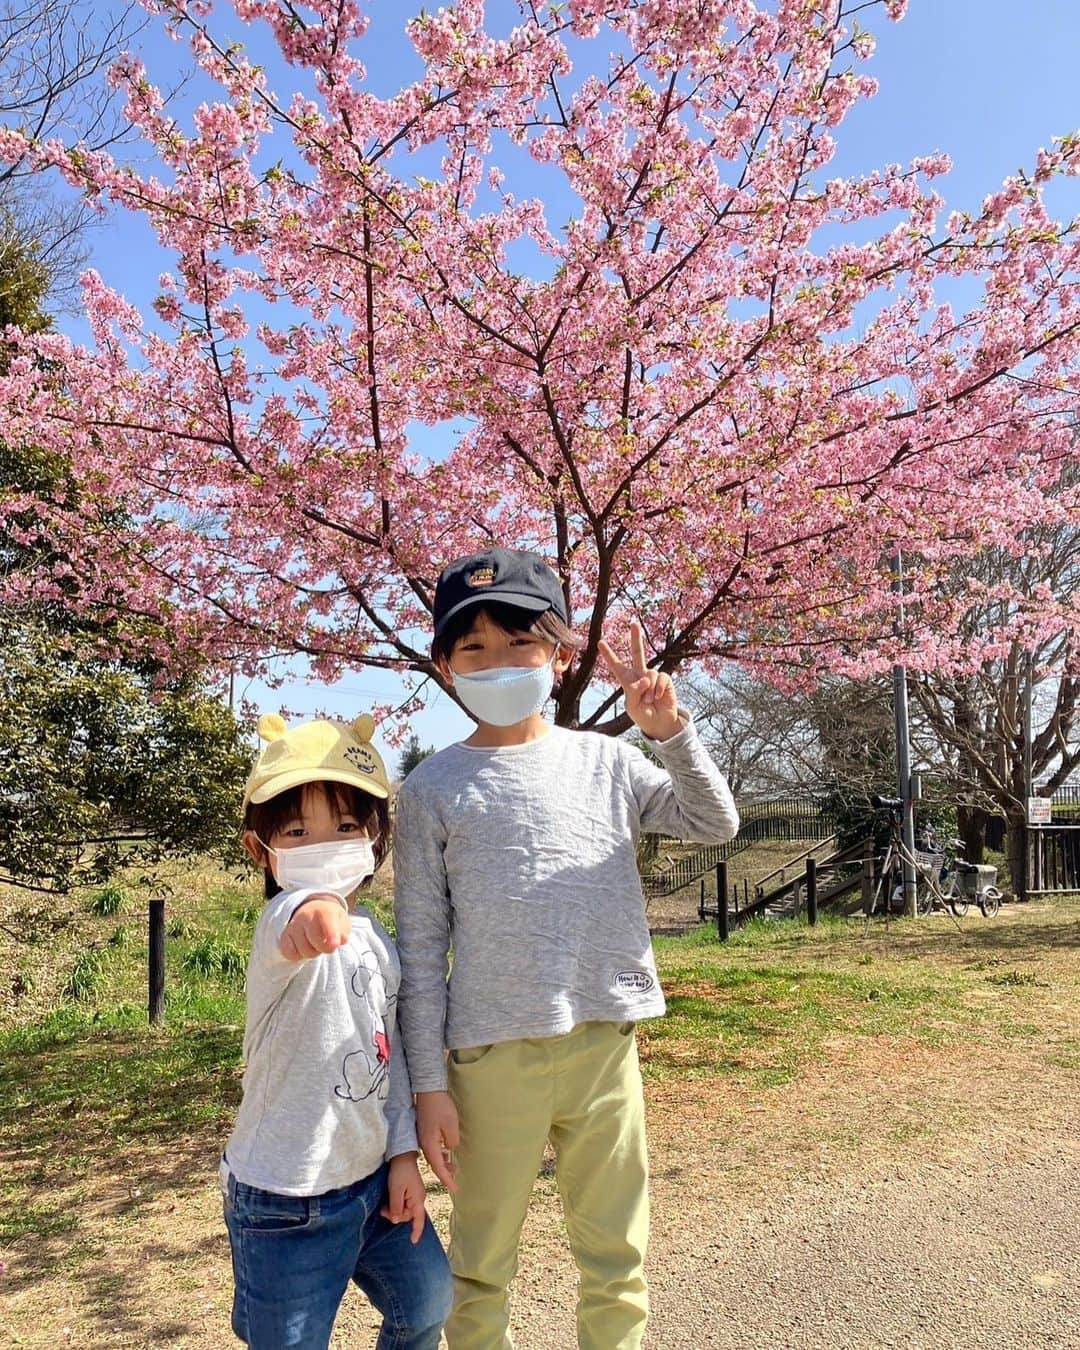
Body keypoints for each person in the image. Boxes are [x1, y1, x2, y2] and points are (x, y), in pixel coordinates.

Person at [392, 548, 740, 1350]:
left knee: (616, 1253)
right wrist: (427, 1087)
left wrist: (671, 733)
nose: (499, 663)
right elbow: (420, 951)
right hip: (486, 1059)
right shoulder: (431, 789)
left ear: (558, 652)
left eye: (521, 644)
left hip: (604, 1042)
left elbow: (714, 823)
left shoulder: (609, 760)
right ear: (445, 665)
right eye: (473, 649)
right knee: (480, 1265)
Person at [221, 712, 452, 1350]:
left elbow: (391, 1056)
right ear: (258, 849)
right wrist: (317, 907)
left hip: (373, 1180)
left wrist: (403, 1155)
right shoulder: (278, 925)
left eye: (346, 827)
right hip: (283, 1202)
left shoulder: (378, 941)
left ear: (375, 840)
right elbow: (299, 920)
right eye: (297, 831)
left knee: (429, 1302)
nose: (325, 844)